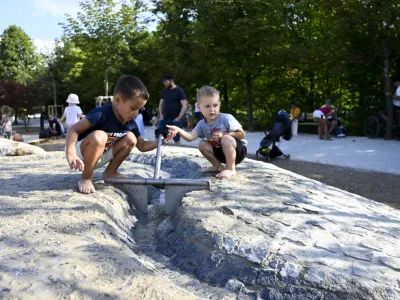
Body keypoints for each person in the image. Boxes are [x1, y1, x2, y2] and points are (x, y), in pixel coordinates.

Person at [65, 75, 173, 194]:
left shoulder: (130, 123)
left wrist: (160, 141)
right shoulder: (101, 114)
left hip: (100, 155)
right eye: (133, 108)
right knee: (100, 136)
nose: (136, 113)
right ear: (117, 100)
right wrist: (71, 153)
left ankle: (110, 172)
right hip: (82, 154)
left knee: (131, 138)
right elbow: (73, 129)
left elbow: (142, 145)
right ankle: (86, 177)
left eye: (139, 109)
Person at [167, 86, 247, 179]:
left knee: (226, 139)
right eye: (208, 106)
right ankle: (217, 166)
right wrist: (178, 129)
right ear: (199, 107)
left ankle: (230, 168)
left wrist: (224, 135)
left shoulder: (226, 118)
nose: (212, 109)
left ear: (219, 105)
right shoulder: (201, 124)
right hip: (221, 153)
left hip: (238, 152)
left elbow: (242, 134)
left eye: (215, 105)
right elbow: (190, 137)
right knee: (202, 144)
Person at [157, 74, 188, 145]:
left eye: (166, 82)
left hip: (175, 120)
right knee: (161, 139)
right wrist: (161, 116)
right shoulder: (164, 91)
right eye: (164, 82)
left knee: (177, 140)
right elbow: (160, 104)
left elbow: (184, 105)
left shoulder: (179, 91)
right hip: (164, 119)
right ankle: (162, 155)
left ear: (171, 81)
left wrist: (178, 118)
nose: (164, 84)